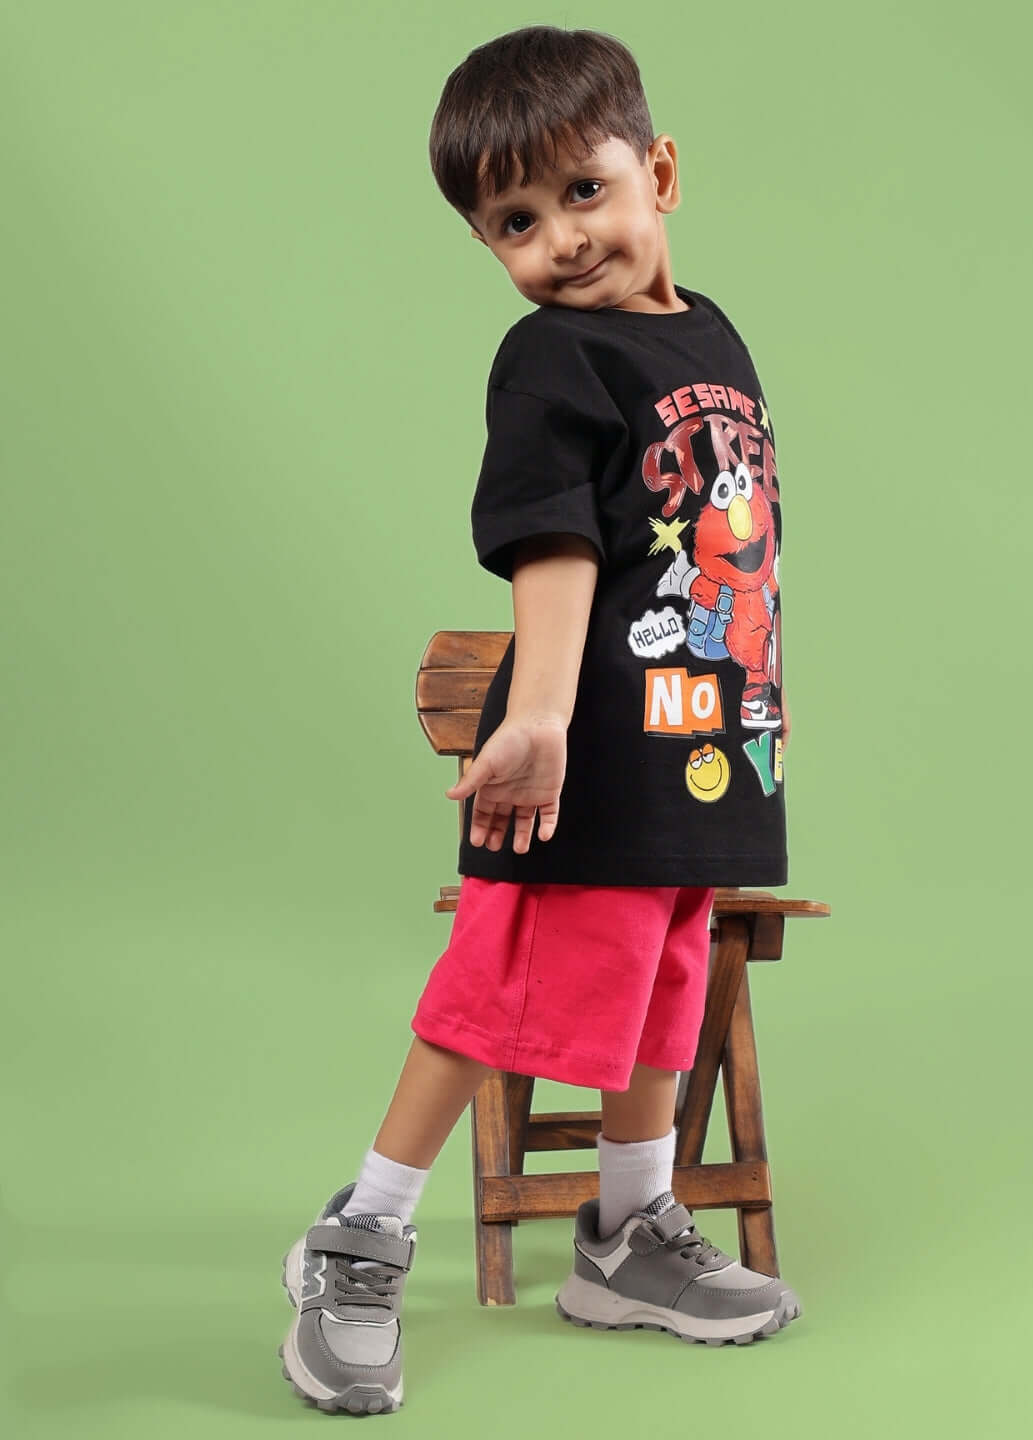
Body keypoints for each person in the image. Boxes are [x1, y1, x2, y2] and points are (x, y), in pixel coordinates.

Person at [278, 24, 802, 1416]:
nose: (561, 239)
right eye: (515, 219)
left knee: (663, 988)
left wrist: (754, 702)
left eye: (585, 190)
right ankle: (364, 1230)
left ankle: (627, 1234)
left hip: (700, 741)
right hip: (586, 750)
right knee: (500, 993)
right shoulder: (552, 360)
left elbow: (721, 535)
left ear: (661, 171)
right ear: (487, 245)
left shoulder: (710, 335)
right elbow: (556, 547)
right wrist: (547, 718)